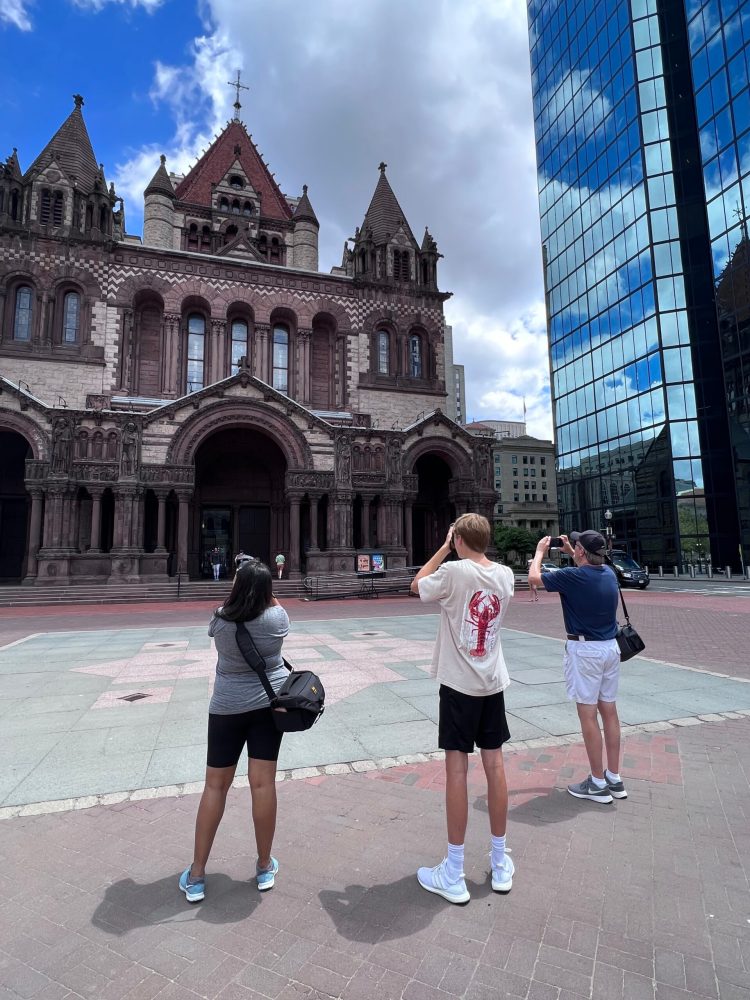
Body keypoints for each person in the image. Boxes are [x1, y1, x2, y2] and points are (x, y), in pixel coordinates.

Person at [410, 513, 515, 905]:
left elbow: (416, 585)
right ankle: (500, 862)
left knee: (457, 771)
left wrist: (443, 548)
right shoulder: (505, 575)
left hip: (459, 686)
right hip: (492, 683)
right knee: (495, 767)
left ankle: (453, 871)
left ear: (458, 539)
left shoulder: (453, 572)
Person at [179, 560, 290, 903]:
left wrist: (237, 590)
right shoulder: (277, 619)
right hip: (268, 707)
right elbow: (276, 607)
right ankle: (264, 866)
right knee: (263, 784)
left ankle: (197, 874)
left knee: (215, 786)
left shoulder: (220, 619)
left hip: (226, 709)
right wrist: (264, 588)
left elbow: (226, 612)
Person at [528, 530, 626, 804]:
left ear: (582, 552)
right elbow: (587, 565)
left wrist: (539, 552)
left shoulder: (574, 577)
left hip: (585, 652)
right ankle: (614, 778)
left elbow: (534, 578)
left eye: (576, 545)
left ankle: (596, 783)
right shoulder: (609, 573)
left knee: (588, 715)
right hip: (610, 648)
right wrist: (572, 551)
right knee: (610, 712)